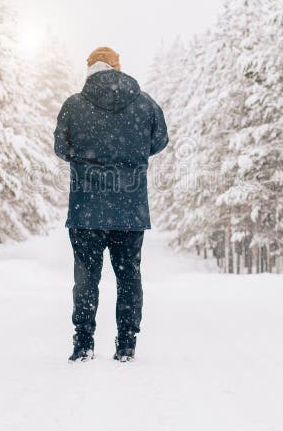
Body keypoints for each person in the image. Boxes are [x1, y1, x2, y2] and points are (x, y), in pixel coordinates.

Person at [54, 46, 169, 363]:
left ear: (90, 69)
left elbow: (61, 148)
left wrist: (88, 160)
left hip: (86, 210)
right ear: (117, 68)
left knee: (86, 278)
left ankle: (83, 344)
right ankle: (127, 345)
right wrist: (131, 157)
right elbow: (159, 141)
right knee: (129, 276)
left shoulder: (74, 106)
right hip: (130, 209)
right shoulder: (144, 104)